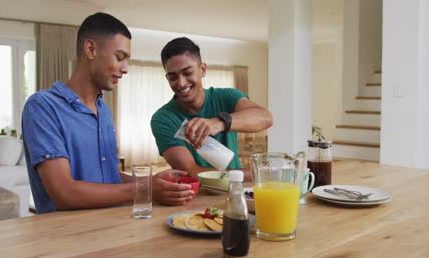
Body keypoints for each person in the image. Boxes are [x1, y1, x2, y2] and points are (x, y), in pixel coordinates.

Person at [22, 13, 194, 214]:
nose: (125, 69)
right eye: (119, 57)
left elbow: (108, 177)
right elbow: (64, 193)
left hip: (112, 226)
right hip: (67, 237)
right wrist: (145, 187)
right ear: (91, 49)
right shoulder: (42, 106)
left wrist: (155, 181)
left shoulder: (102, 109)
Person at [151, 37, 273, 180]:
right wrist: (251, 173)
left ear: (202, 70)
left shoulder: (226, 97)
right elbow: (191, 172)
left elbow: (266, 118)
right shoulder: (163, 119)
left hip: (236, 189)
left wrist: (219, 123)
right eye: (173, 77)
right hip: (197, 196)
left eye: (188, 73)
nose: (181, 83)